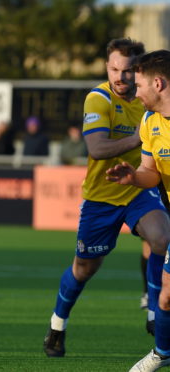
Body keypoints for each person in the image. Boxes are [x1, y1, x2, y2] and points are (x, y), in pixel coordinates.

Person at [43, 39, 170, 361]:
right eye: (114, 69)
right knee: (84, 268)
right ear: (107, 68)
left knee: (160, 237)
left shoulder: (149, 101)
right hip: (102, 196)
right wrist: (139, 137)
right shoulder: (98, 99)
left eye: (128, 71)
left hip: (139, 189)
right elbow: (97, 149)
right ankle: (58, 325)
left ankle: (155, 311)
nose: (121, 77)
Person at [106, 49, 170, 372]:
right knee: (166, 299)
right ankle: (161, 353)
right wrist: (133, 178)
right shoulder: (149, 122)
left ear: (158, 83)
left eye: (140, 85)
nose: (135, 91)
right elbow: (151, 172)